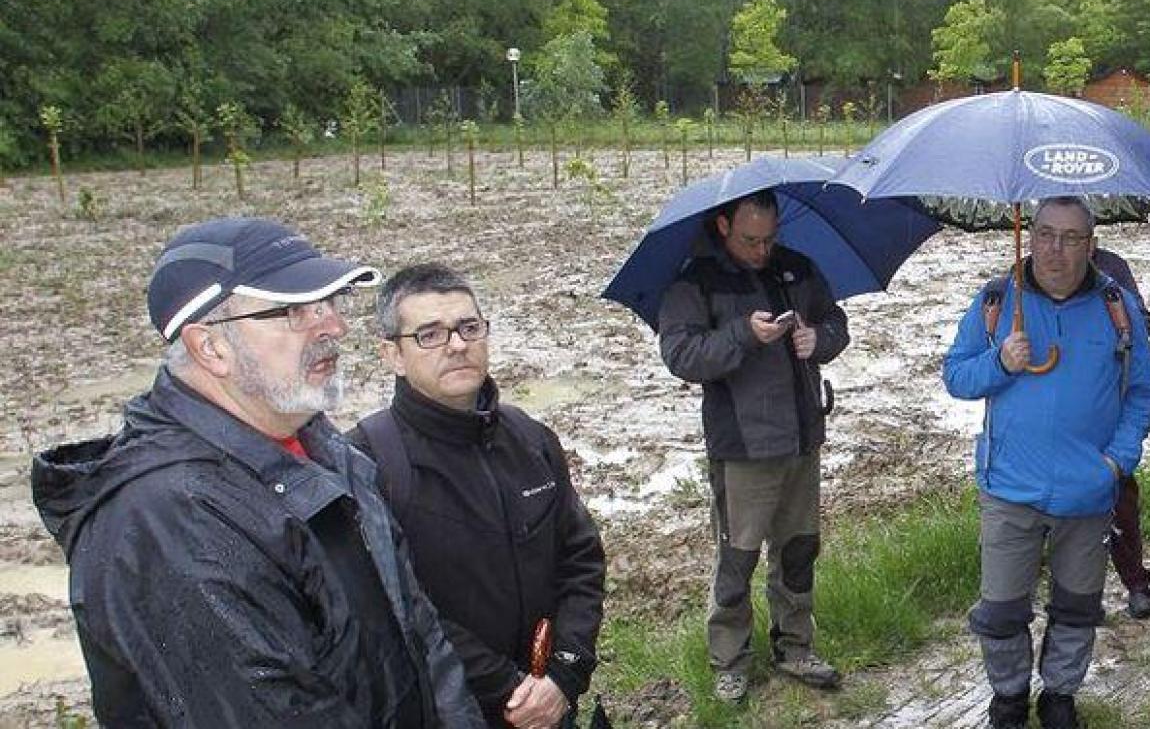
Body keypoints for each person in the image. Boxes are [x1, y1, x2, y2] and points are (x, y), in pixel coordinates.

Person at [31, 217, 484, 727]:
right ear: (210, 347)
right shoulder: (168, 523)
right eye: (292, 310)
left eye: (329, 303)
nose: (333, 326)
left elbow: (418, 631)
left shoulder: (326, 450)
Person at [352, 264, 608, 729]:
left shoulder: (530, 439)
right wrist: (508, 690)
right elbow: (395, 610)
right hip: (445, 709)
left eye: (469, 327)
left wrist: (564, 672)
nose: (457, 345)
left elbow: (580, 560)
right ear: (391, 354)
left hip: (550, 696)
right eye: (429, 334)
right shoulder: (367, 462)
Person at [944, 197, 1150, 729]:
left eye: (1069, 238)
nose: (1054, 250)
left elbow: (1143, 391)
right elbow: (956, 376)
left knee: (1077, 607)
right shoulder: (997, 300)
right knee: (1000, 612)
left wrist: (1117, 462)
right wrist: (1000, 361)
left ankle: (1059, 695)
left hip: (1086, 492)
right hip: (1009, 489)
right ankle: (1010, 696)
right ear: (1030, 235)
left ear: (1092, 246)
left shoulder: (1118, 307)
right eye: (1044, 234)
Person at [656, 190, 850, 704]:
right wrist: (744, 334)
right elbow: (681, 354)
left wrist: (818, 340)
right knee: (736, 559)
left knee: (799, 550)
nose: (762, 249)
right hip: (742, 446)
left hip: (804, 436)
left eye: (769, 238)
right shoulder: (695, 281)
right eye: (750, 240)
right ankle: (730, 661)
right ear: (723, 225)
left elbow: (836, 324)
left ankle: (796, 647)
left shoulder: (798, 268)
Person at [1091, 244, 1150, 619]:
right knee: (1065, 519)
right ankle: (1085, 595)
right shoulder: (1024, 273)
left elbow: (1142, 323)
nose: (1060, 245)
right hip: (1057, 418)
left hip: (1111, 404)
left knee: (1121, 503)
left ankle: (1137, 584)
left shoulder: (1113, 266)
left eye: (1074, 234)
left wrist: (1114, 333)